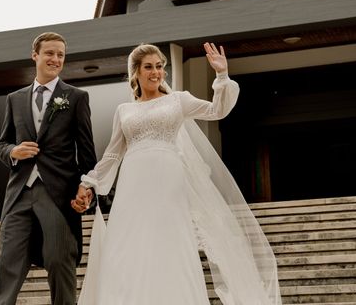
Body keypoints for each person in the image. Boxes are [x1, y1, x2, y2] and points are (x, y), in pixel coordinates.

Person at [74, 42, 281, 304]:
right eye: (148, 67)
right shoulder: (123, 111)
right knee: (128, 245)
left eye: (159, 67)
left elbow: (217, 110)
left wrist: (222, 75)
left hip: (167, 179)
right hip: (132, 183)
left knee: (169, 243)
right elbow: (113, 154)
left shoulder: (178, 100)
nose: (155, 72)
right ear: (135, 72)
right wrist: (90, 182)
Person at [0, 32, 97, 305]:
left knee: (60, 263)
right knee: (6, 266)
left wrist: (87, 188)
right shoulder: (14, 98)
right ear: (35, 55)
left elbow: (86, 153)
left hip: (59, 195)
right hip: (19, 195)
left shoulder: (76, 97)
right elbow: (2, 143)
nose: (56, 59)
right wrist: (13, 151)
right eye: (49, 53)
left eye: (60, 54)